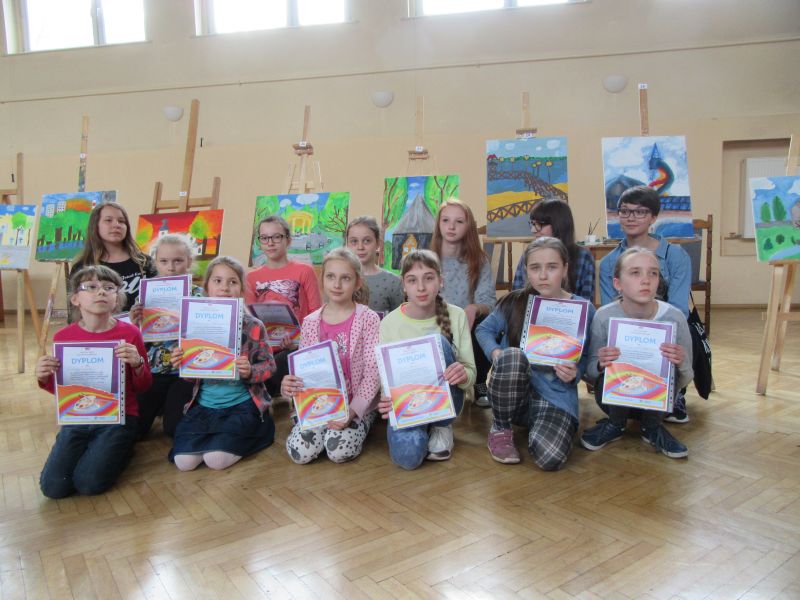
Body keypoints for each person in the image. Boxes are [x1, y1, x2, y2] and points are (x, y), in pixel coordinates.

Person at [476, 237, 595, 470]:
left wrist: (577, 372)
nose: (543, 275)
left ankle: (539, 429)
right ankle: (501, 428)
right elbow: (484, 330)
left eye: (552, 267)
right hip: (514, 395)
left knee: (550, 458)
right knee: (512, 355)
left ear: (565, 269)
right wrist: (496, 353)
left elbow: (588, 355)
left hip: (555, 396)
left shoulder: (583, 309)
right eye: (535, 268)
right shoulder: (514, 301)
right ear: (526, 271)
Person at [36, 265, 152, 498]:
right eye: (91, 287)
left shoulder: (130, 334)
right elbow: (63, 391)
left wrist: (138, 363)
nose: (101, 292)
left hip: (119, 417)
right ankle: (102, 449)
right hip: (78, 418)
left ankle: (123, 448)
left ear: (117, 298)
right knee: (54, 487)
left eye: (109, 288)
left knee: (88, 484)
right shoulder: (64, 337)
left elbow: (143, 386)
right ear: (75, 299)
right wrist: (43, 376)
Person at [581, 247, 693, 459]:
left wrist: (681, 362)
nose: (646, 280)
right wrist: (599, 364)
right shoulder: (604, 317)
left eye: (653, 273)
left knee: (666, 364)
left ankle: (652, 427)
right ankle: (615, 424)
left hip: (660, 403)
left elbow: (686, 378)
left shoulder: (674, 318)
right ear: (617, 283)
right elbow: (590, 373)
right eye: (635, 273)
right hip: (612, 402)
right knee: (613, 365)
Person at [169, 257, 276, 471]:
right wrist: (182, 363)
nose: (224, 288)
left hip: (242, 406)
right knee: (184, 463)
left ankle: (255, 431)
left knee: (215, 460)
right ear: (206, 287)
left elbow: (269, 366)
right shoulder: (193, 325)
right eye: (217, 281)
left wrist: (250, 371)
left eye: (232, 282)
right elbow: (192, 377)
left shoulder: (253, 325)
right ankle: (216, 438)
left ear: (241, 289)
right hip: (205, 406)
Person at [598, 186, 692, 423]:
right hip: (626, 333)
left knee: (680, 336)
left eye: (640, 212)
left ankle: (675, 393)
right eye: (624, 211)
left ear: (653, 217)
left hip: (664, 331)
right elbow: (611, 312)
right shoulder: (609, 262)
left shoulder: (675, 255)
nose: (631, 217)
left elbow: (679, 308)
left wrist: (652, 335)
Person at [377, 249, 476, 469]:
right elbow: (387, 382)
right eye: (412, 280)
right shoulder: (388, 324)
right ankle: (422, 431)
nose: (421, 287)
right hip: (409, 405)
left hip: (446, 403)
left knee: (437, 341)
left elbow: (471, 374)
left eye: (429, 278)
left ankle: (441, 426)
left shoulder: (456, 315)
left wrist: (462, 374)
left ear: (441, 281)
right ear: (404, 285)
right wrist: (386, 398)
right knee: (407, 459)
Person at [281, 247, 382, 463]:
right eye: (330, 277)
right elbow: (305, 373)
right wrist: (289, 386)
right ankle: (311, 426)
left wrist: (353, 412)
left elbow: (373, 373)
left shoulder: (369, 319)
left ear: (357, 283)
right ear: (323, 280)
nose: (337, 285)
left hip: (355, 404)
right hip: (320, 405)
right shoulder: (310, 322)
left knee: (338, 451)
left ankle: (364, 421)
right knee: (301, 452)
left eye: (345, 278)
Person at [130, 234, 204, 439]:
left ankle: (172, 405)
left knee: (174, 428)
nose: (171, 267)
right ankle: (162, 404)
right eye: (164, 261)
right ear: (155, 262)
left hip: (185, 372)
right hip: (154, 371)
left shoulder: (199, 294)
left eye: (178, 261)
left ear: (189, 261)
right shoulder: (146, 294)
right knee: (135, 430)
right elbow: (138, 341)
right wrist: (135, 323)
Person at [245, 215, 322, 396]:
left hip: (297, 347)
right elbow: (250, 320)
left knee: (278, 364)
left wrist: (298, 342)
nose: (270, 243)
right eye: (264, 238)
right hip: (264, 348)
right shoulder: (251, 278)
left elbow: (316, 314)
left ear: (288, 240)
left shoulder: (305, 271)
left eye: (276, 237)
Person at [430, 200, 495, 407]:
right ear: (438, 224)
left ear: (468, 227)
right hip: (435, 320)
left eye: (459, 221)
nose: (451, 226)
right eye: (446, 220)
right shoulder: (428, 259)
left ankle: (479, 381)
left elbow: (488, 301)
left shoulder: (479, 260)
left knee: (487, 324)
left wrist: (473, 308)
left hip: (468, 323)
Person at [72, 201, 157, 312]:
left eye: (121, 221)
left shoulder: (145, 261)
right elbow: (75, 309)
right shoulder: (83, 266)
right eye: (108, 220)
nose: (116, 225)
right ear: (95, 225)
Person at [511, 198, 595, 302]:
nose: (533, 230)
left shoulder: (583, 256)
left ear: (559, 225)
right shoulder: (529, 254)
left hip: (570, 311)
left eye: (539, 224)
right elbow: (517, 297)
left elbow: (586, 302)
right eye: (532, 224)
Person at [345, 216, 403, 314]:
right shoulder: (340, 279)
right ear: (347, 244)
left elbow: (399, 319)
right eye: (354, 241)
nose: (360, 247)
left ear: (378, 243)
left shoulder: (393, 282)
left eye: (367, 241)